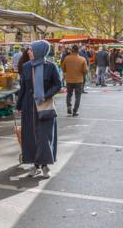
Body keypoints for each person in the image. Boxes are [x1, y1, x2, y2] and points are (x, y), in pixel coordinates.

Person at [17, 40, 61, 178]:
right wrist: (18, 106)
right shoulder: (26, 67)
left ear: (39, 51)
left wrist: (45, 95)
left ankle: (45, 165)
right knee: (30, 137)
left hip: (45, 106)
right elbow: (23, 88)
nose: (29, 51)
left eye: (31, 49)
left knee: (44, 137)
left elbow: (58, 85)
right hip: (28, 106)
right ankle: (35, 165)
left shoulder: (51, 67)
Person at [62, 45, 88, 117]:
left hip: (69, 80)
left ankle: (69, 106)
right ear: (78, 50)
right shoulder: (82, 59)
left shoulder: (66, 58)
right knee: (78, 96)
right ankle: (75, 111)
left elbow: (63, 69)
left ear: (71, 50)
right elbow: (85, 71)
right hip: (79, 80)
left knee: (69, 94)